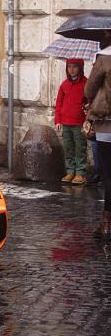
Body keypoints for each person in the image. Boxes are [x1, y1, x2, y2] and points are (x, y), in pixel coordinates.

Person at [84, 30, 111, 239]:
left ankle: (106, 222)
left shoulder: (104, 58)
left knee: (107, 173)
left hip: (107, 123)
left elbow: (89, 89)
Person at [54, 58, 88, 185]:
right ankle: (70, 171)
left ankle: (80, 173)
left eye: (75, 67)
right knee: (68, 148)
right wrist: (58, 120)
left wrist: (87, 112)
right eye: (69, 67)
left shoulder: (86, 84)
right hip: (66, 122)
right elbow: (58, 104)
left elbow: (89, 101)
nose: (71, 69)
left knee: (80, 148)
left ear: (80, 68)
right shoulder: (64, 85)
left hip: (79, 122)